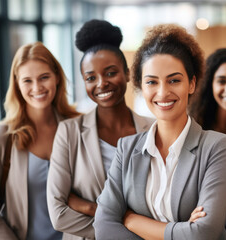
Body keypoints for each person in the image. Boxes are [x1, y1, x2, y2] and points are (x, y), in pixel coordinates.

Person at [93, 24, 226, 240]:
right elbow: (104, 227)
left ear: (191, 83)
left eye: (174, 80)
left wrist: (132, 220)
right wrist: (182, 230)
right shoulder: (127, 148)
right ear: (141, 86)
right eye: (152, 82)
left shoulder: (218, 147)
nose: (162, 92)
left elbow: (204, 233)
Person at [46, 19, 153, 240]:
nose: (101, 83)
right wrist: (112, 220)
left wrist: (84, 205)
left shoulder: (153, 128)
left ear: (128, 73)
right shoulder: (69, 133)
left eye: (111, 72)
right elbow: (58, 214)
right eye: (91, 78)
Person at [0, 41, 80, 239]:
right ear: (17, 84)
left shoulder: (79, 128)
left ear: (57, 78)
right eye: (27, 80)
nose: (37, 87)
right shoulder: (1, 138)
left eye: (44, 77)